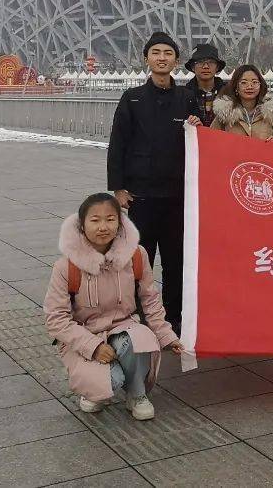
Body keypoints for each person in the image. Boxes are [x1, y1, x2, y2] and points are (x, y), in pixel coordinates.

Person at [44, 193, 185, 420]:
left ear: (120, 223)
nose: (103, 227)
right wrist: (94, 347)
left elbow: (150, 301)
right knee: (109, 382)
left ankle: (136, 393)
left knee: (142, 339)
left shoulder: (136, 255)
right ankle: (96, 390)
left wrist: (168, 336)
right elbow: (56, 319)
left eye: (110, 219)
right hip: (85, 333)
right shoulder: (66, 266)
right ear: (81, 225)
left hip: (125, 327)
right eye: (95, 220)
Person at [107, 32, 201, 334]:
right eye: (156, 52)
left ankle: (175, 315)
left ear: (176, 60)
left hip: (176, 195)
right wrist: (118, 188)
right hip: (141, 195)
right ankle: (134, 314)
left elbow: (201, 141)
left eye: (168, 53)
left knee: (176, 260)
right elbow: (117, 143)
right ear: (147, 58)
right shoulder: (132, 98)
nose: (162, 58)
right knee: (139, 257)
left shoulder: (187, 98)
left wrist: (199, 126)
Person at [212, 64, 273, 141]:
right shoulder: (225, 113)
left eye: (254, 82)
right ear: (236, 86)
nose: (249, 87)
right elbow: (212, 138)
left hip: (264, 153)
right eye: (244, 83)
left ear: (260, 85)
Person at [184, 43, 226, 127]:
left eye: (211, 62)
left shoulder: (228, 93)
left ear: (217, 67)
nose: (206, 66)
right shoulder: (184, 95)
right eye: (200, 62)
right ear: (193, 67)